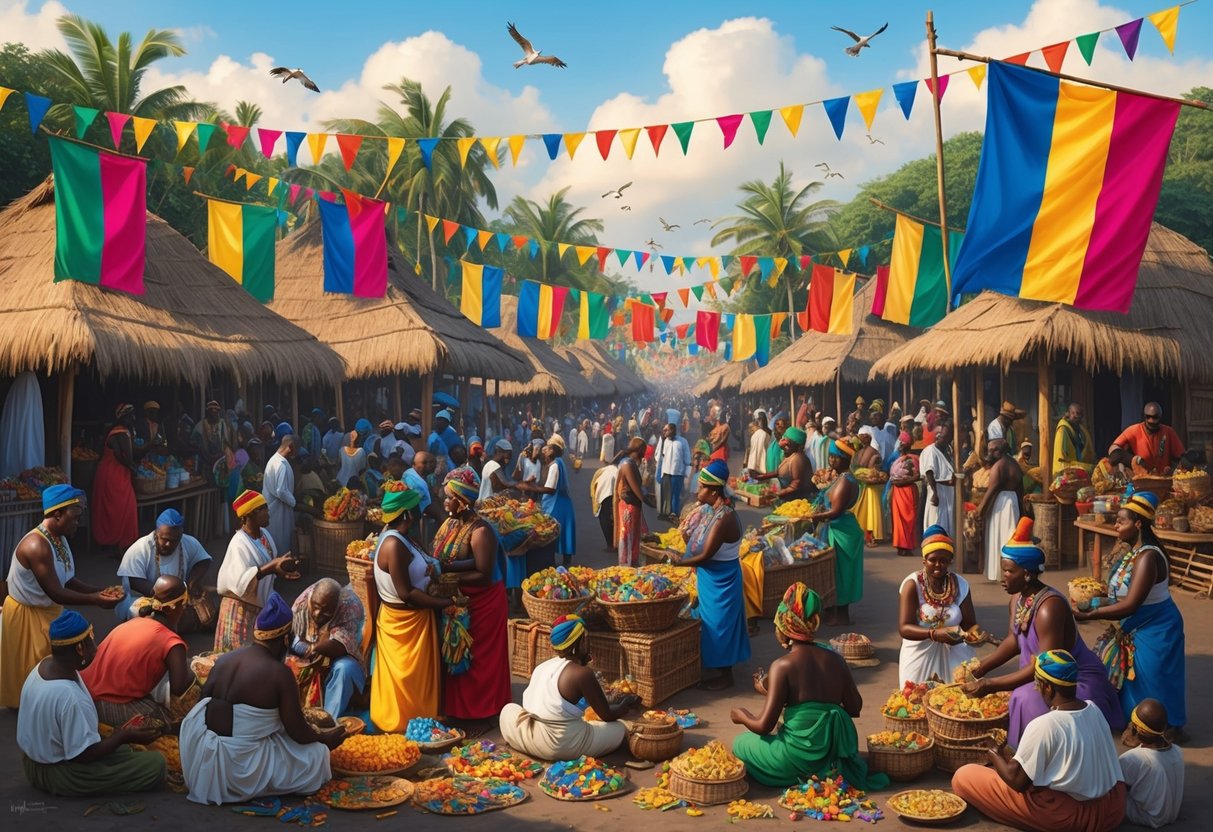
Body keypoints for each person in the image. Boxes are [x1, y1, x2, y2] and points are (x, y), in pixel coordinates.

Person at [963, 518, 1123, 746]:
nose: (1003, 578)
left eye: (1008, 571)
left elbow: (1045, 665)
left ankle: (1033, 765)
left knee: (1024, 697)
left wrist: (991, 684)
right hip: (1044, 677)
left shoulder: (1050, 608)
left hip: (1070, 680)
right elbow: (1014, 640)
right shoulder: (1017, 599)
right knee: (1019, 695)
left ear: (1027, 574)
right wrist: (980, 669)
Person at [180, 593, 344, 805]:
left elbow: (205, 703)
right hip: (238, 770)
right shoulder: (280, 674)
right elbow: (298, 732)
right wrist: (326, 740)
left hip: (204, 763)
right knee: (316, 754)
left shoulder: (224, 661)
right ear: (285, 639)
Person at [731, 584, 889, 790]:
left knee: (740, 743)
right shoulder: (836, 660)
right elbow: (854, 707)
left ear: (785, 627)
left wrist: (740, 714)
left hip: (792, 759)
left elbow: (764, 726)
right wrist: (823, 704)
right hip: (830, 759)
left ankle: (792, 774)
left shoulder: (782, 666)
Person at [953, 650, 1126, 832]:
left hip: (1070, 817)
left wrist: (994, 754)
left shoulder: (1044, 725)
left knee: (964, 777)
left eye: (1037, 684)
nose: (1036, 689)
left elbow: (1017, 782)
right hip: (1111, 810)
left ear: (1048, 687)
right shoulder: (1094, 709)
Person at [1074, 492, 1186, 741]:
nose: (1115, 526)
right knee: (1135, 684)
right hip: (1135, 626)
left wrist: (1092, 614)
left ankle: (1163, 729)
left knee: (1154, 682)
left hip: (1155, 628)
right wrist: (1093, 600)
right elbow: (1119, 594)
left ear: (1138, 525)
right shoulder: (1131, 553)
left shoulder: (1147, 557)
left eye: (1121, 522)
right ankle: (1139, 725)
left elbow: (1131, 604)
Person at [17, 610, 165, 797]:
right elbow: (83, 755)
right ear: (79, 648)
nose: (95, 648)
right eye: (91, 640)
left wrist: (121, 739)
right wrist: (123, 736)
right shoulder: (69, 697)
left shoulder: (43, 666)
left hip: (31, 761)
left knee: (126, 751)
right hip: (61, 773)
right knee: (156, 765)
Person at [1, 486, 122, 709]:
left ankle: (46, 707)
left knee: (56, 663)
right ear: (57, 514)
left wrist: (98, 590)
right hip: (29, 615)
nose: (79, 523)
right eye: (75, 517)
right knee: (37, 670)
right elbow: (55, 591)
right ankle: (35, 711)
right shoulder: (37, 545)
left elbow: (67, 578)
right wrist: (95, 599)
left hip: (49, 609)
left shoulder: (59, 538)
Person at [499, 615, 637, 760]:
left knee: (508, 709)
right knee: (620, 728)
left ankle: (529, 744)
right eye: (586, 638)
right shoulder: (581, 673)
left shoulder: (543, 666)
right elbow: (607, 715)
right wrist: (625, 705)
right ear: (581, 642)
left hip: (531, 735)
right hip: (560, 745)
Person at [433, 468, 511, 722]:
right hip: (459, 601)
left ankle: (484, 711)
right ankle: (458, 709)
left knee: (479, 658)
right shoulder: (450, 523)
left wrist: (447, 575)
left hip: (484, 603)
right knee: (456, 654)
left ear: (463, 500)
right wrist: (444, 568)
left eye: (449, 497)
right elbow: (454, 559)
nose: (445, 501)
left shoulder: (481, 532)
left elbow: (483, 573)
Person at [370, 485, 449, 731]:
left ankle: (420, 719)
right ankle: (403, 723)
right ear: (406, 514)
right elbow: (405, 593)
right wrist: (445, 603)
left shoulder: (403, 536)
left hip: (415, 620)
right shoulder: (393, 544)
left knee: (418, 680)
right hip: (403, 621)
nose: (419, 512)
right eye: (415, 508)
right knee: (405, 679)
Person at [675, 460, 751, 689]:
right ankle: (713, 665)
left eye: (701, 487)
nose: (697, 491)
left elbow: (705, 555)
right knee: (709, 622)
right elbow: (698, 542)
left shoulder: (724, 517)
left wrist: (677, 561)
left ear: (714, 490)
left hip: (722, 580)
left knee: (719, 625)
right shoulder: (711, 512)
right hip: (711, 578)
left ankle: (725, 675)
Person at [82, 576, 197, 727]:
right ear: (178, 607)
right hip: (111, 704)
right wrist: (198, 670)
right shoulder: (171, 642)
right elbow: (179, 687)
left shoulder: (133, 622)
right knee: (173, 726)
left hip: (84, 696)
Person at [214, 490, 301, 652]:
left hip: (258, 607)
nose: (269, 513)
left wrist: (282, 567)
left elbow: (266, 566)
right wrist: (272, 566)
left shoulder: (264, 535)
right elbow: (240, 582)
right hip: (239, 611)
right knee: (237, 659)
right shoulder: (238, 543)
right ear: (252, 514)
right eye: (264, 509)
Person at [897, 526, 978, 686]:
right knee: (915, 702)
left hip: (955, 654)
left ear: (950, 561)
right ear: (924, 560)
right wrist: (934, 634)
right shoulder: (912, 584)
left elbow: (969, 625)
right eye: (932, 560)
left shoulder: (960, 585)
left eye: (943, 561)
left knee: (958, 703)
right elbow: (904, 628)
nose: (938, 565)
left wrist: (979, 636)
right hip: (919, 654)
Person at [116, 508, 212, 629]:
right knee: (155, 618)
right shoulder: (139, 549)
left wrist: (191, 583)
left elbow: (204, 560)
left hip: (178, 598)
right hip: (142, 600)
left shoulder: (187, 542)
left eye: (174, 541)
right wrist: (166, 599)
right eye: (165, 539)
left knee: (207, 615)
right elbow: (134, 581)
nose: (168, 544)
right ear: (156, 534)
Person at [288, 577, 366, 719]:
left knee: (344, 668)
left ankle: (330, 722)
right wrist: (303, 650)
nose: (318, 615)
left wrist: (310, 648)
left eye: (326, 612)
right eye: (316, 607)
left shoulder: (350, 606)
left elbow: (338, 647)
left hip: (341, 659)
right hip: (308, 658)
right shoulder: (302, 604)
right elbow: (291, 637)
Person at [809, 441, 864, 625]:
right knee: (835, 571)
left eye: (835, 457)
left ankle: (841, 615)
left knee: (841, 573)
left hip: (841, 530)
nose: (831, 459)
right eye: (830, 456)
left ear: (845, 459)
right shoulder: (840, 477)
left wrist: (815, 517)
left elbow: (835, 511)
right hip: (837, 527)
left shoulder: (846, 480)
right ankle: (833, 610)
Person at [1118, 699, 1184, 828]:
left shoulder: (1133, 758)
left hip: (1149, 817)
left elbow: (1112, 783)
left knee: (1107, 791)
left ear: (1138, 731)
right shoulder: (1177, 750)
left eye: (1132, 724)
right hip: (1172, 814)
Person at [518, 437, 577, 565]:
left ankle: (551, 563)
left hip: (557, 504)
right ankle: (564, 562)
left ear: (553, 451)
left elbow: (550, 489)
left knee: (550, 532)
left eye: (548, 448)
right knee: (563, 533)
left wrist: (530, 487)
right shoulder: (557, 462)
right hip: (563, 503)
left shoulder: (555, 465)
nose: (544, 451)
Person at [92, 403, 140, 552]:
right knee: (124, 507)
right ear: (123, 417)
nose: (133, 418)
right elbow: (124, 456)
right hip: (115, 475)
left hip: (110, 473)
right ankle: (121, 545)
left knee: (113, 509)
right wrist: (133, 468)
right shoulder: (120, 432)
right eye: (130, 415)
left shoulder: (117, 431)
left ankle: (116, 544)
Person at [978, 438, 1024, 581]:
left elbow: (991, 491)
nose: (990, 453)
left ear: (1001, 450)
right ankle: (1011, 571)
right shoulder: (1015, 464)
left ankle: (1000, 572)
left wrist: (980, 510)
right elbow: (1021, 490)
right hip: (1013, 501)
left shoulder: (999, 466)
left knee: (999, 536)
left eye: (994, 450)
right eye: (989, 450)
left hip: (1001, 502)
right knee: (1009, 536)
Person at [1113, 403, 1189, 474]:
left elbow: (1182, 456)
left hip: (1164, 476)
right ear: (1144, 417)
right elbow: (1114, 449)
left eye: (1155, 417)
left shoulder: (1168, 431)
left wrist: (1174, 469)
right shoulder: (1133, 430)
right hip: (1142, 476)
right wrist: (1131, 461)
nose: (1151, 420)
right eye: (1148, 417)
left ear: (1160, 417)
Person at [749, 426, 814, 504]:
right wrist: (761, 477)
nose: (784, 448)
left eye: (788, 445)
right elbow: (778, 472)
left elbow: (795, 484)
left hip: (799, 502)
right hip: (788, 501)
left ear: (797, 446)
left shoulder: (798, 459)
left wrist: (776, 494)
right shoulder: (789, 455)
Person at [614, 437, 649, 566]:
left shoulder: (629, 462)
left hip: (631, 505)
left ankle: (629, 563)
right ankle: (627, 566)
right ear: (640, 449)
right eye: (644, 450)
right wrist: (646, 500)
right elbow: (636, 489)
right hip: (629, 506)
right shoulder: (627, 464)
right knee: (628, 537)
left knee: (632, 537)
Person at [263, 435, 298, 560]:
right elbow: (281, 491)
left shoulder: (273, 461)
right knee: (280, 542)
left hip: (274, 509)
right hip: (279, 511)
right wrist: (295, 503)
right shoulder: (281, 465)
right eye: (296, 448)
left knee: (273, 542)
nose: (297, 452)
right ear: (291, 446)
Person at [921, 421, 956, 537]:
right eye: (940, 436)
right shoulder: (931, 451)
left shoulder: (948, 450)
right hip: (938, 491)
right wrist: (935, 493)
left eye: (945, 437)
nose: (941, 439)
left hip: (948, 493)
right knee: (936, 521)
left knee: (947, 524)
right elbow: (929, 472)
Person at [889, 432, 920, 557]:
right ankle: (900, 545)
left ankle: (907, 547)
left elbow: (918, 475)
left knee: (909, 519)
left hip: (907, 491)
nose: (901, 445)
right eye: (900, 442)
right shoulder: (897, 460)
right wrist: (896, 482)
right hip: (897, 491)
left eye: (903, 443)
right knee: (898, 520)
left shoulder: (913, 459)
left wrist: (903, 481)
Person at [851, 432, 885, 545]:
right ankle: (864, 535)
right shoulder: (858, 452)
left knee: (870, 512)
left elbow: (872, 468)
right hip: (861, 485)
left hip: (870, 486)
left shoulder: (870, 451)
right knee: (863, 512)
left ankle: (871, 536)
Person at [192, 400, 235, 484]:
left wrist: (223, 454)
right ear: (207, 414)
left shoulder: (225, 424)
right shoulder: (199, 427)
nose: (213, 416)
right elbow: (194, 444)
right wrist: (204, 454)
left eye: (215, 414)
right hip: (205, 460)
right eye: (211, 414)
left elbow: (229, 443)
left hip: (222, 460)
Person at [655, 423, 689, 521]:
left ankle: (674, 514)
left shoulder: (682, 441)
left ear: (672, 430)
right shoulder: (663, 441)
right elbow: (658, 454)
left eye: (666, 430)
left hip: (677, 472)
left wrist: (686, 472)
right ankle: (665, 513)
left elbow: (687, 458)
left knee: (675, 494)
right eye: (664, 430)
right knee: (665, 494)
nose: (664, 432)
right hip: (665, 471)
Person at [1053, 404, 1096, 474]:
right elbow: (1062, 460)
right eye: (1073, 413)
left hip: (1079, 470)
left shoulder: (1081, 430)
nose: (1075, 416)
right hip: (1065, 472)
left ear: (1082, 417)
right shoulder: (1063, 430)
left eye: (1078, 414)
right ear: (1068, 414)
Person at [591, 459, 618, 550]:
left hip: (603, 494)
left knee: (605, 518)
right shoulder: (618, 469)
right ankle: (613, 543)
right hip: (611, 493)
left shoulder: (603, 470)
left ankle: (610, 544)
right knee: (613, 518)